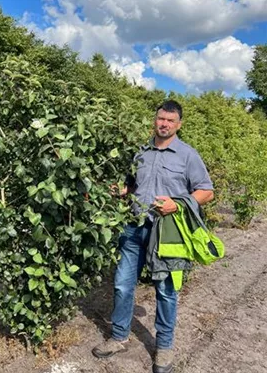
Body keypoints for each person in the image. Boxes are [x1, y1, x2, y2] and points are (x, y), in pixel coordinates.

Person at [92, 100, 214, 373]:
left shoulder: (187, 155)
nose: (164, 124)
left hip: (167, 232)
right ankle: (119, 336)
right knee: (123, 284)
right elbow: (131, 185)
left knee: (166, 291)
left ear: (179, 124)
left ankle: (164, 347)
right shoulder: (142, 151)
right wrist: (115, 191)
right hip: (134, 227)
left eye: (170, 120)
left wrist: (178, 204)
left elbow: (206, 191)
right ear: (154, 120)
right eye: (161, 118)